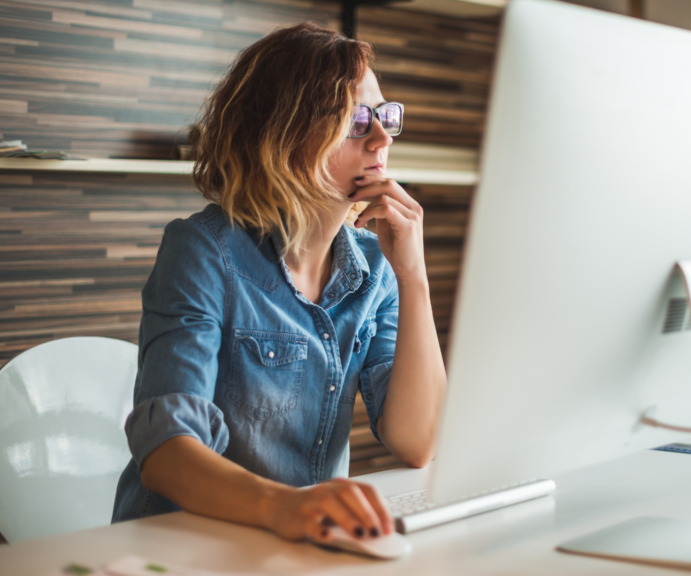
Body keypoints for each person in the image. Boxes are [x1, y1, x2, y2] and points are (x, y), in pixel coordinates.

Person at [111, 22, 447, 545]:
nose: (382, 138)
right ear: (284, 132)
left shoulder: (377, 267)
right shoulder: (202, 251)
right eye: (357, 120)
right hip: (184, 545)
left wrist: (414, 275)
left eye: (385, 117)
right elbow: (166, 451)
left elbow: (418, 441)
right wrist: (285, 507)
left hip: (301, 542)